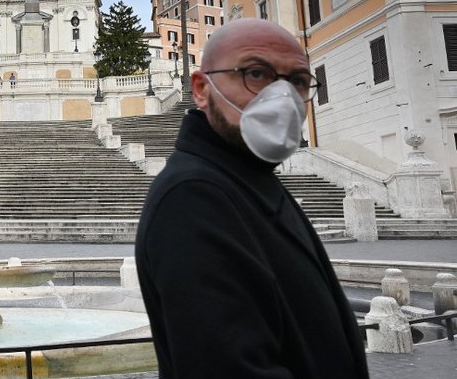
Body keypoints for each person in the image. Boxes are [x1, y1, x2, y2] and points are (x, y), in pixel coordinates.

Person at [135, 19, 369, 379]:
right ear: (201, 88)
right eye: (256, 74)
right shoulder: (193, 198)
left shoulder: (249, 177)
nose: (283, 97)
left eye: (297, 82)